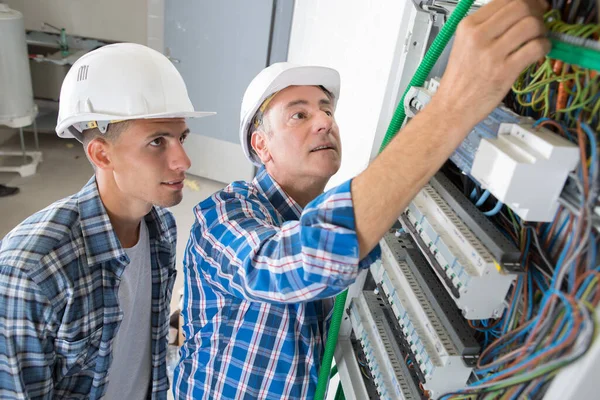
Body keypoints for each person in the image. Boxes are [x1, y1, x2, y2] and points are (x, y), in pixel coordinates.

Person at [174, 0, 551, 398]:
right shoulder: (223, 212)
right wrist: (452, 107)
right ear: (261, 145)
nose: (324, 121)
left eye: (326, 110)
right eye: (298, 115)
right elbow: (287, 265)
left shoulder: (325, 213)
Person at [0, 43, 214, 399]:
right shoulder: (32, 269)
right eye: (157, 141)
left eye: (181, 137)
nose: (183, 160)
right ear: (101, 153)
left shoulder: (160, 226)